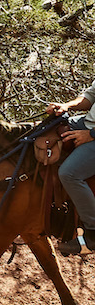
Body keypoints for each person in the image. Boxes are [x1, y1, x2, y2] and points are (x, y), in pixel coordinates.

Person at [46, 79, 95, 254]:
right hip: (87, 122)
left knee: (69, 174)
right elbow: (89, 97)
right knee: (45, 133)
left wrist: (91, 135)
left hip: (92, 132)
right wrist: (67, 106)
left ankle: (92, 233)